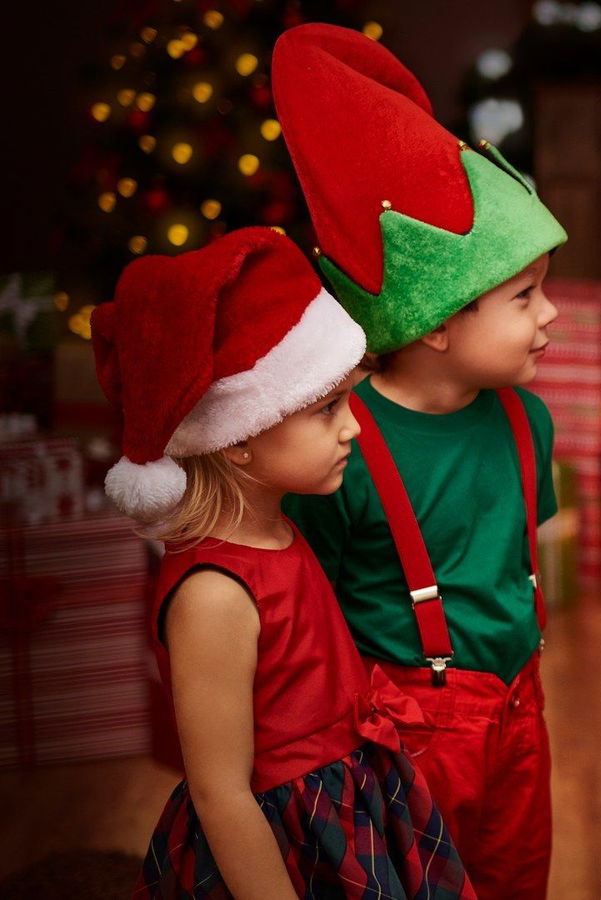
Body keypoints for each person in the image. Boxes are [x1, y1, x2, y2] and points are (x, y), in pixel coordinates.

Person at [271, 23, 567, 899]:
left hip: (519, 715)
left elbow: (511, 568)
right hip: (406, 738)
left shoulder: (531, 422)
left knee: (516, 881)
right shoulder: (341, 446)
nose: (549, 315)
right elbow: (313, 617)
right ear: (436, 321)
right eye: (525, 296)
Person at [96, 227, 475, 899]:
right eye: (327, 408)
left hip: (351, 799)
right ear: (238, 439)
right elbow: (220, 793)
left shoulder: (282, 531)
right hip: (284, 845)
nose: (352, 426)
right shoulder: (214, 594)